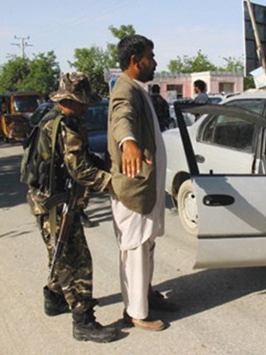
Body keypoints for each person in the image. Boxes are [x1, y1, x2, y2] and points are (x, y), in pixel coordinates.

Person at [28, 72, 118, 343]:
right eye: (82, 102)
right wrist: (113, 183)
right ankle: (83, 321)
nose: (86, 106)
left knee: (60, 254)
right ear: (70, 100)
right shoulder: (65, 126)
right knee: (76, 261)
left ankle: (55, 298)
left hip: (47, 202)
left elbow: (81, 160)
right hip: (56, 207)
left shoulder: (53, 119)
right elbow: (79, 169)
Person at [107, 34, 178, 332]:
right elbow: (121, 117)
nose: (155, 62)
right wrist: (128, 143)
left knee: (147, 245)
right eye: (151, 56)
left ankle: (146, 294)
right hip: (134, 191)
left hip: (148, 189)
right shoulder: (124, 89)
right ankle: (135, 313)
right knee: (135, 248)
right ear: (136, 62)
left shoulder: (138, 88)